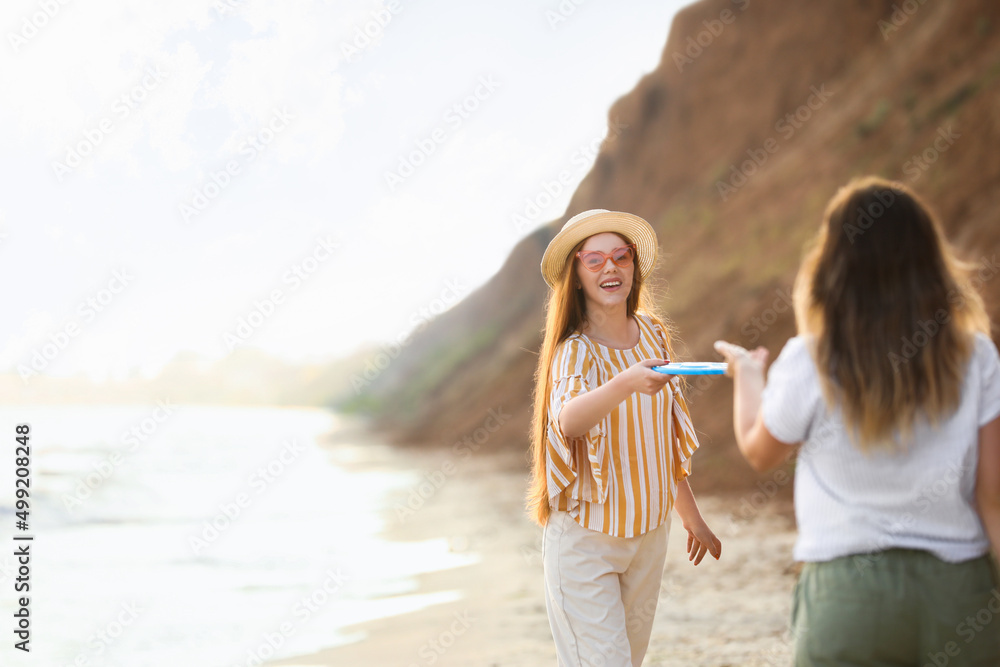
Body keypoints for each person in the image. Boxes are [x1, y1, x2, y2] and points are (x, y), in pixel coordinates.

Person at [714, 176, 1000, 665]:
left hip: (846, 596)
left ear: (833, 263)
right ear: (929, 258)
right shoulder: (975, 355)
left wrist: (747, 376)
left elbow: (759, 451)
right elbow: (993, 497)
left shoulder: (811, 357)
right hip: (956, 591)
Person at [527, 208, 722, 667]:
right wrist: (625, 383)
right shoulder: (575, 351)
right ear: (575, 276)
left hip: (650, 535)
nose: (610, 268)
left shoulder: (653, 335)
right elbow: (568, 421)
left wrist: (692, 518)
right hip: (584, 542)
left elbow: (663, 439)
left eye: (621, 256)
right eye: (593, 260)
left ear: (634, 266)